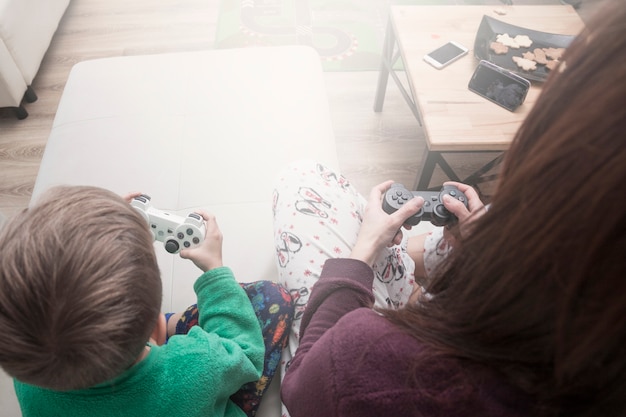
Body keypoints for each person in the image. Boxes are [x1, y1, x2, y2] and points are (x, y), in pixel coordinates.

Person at [273, 2, 626, 416]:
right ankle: (417, 258)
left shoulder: (368, 356)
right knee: (466, 227)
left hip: (339, 371)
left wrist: (361, 253)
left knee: (302, 178)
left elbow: (302, 388)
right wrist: (483, 245)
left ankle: (392, 257)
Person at [0, 185, 293, 417]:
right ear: (155, 329)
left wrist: (102, 225)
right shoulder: (197, 364)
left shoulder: (29, 379)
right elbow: (246, 353)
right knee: (270, 299)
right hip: (192, 394)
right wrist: (215, 271)